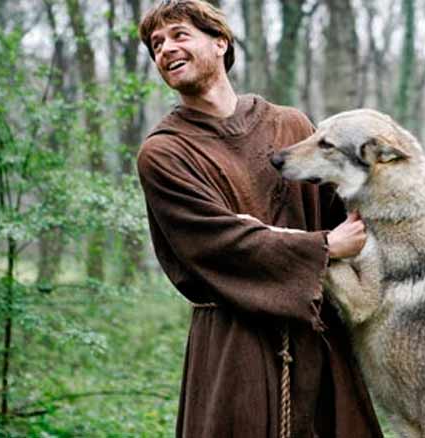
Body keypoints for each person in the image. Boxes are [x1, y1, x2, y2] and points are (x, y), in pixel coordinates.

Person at [135, 1, 383, 437]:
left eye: (179, 35)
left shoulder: (291, 127)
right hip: (234, 349)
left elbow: (348, 216)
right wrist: (322, 247)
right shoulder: (165, 153)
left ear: (220, 42)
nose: (165, 49)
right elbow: (217, 242)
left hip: (317, 337)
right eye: (156, 45)